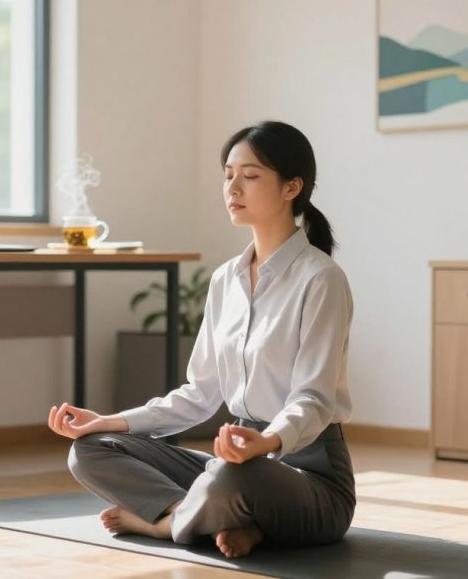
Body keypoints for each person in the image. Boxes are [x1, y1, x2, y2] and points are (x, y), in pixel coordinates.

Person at [47, 120, 355, 559]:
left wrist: (267, 443)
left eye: (250, 176)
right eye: (228, 174)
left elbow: (314, 399)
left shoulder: (321, 279)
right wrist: (109, 421)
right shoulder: (225, 279)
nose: (233, 187)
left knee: (232, 478)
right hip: (236, 460)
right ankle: (225, 521)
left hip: (310, 476)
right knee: (90, 451)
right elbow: (199, 394)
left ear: (291, 188)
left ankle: (167, 524)